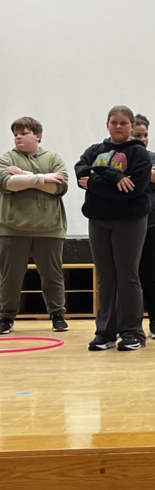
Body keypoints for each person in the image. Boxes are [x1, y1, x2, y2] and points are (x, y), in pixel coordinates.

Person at [76, 106, 153, 352]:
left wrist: (95, 182)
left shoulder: (139, 154)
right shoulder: (95, 150)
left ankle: (132, 333)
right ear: (107, 124)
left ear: (131, 126)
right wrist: (115, 176)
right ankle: (105, 333)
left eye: (123, 123)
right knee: (106, 277)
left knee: (127, 276)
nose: (118, 126)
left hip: (129, 220)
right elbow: (80, 171)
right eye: (114, 122)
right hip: (98, 220)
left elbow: (132, 190)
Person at [0, 117, 70, 334]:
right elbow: (8, 184)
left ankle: (57, 315)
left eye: (23, 133)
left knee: (52, 275)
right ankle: (6, 317)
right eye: (15, 134)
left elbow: (59, 187)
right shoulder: (7, 158)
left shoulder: (53, 158)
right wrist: (43, 178)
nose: (18, 137)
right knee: (10, 276)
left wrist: (26, 177)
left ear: (38, 136)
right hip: (13, 228)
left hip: (50, 228)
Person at [131, 114, 155, 340]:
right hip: (126, 224)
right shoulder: (118, 158)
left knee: (149, 274)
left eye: (145, 135)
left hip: (151, 224)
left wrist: (130, 174)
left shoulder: (154, 157)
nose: (143, 139)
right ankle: (131, 324)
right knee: (128, 275)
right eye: (138, 136)